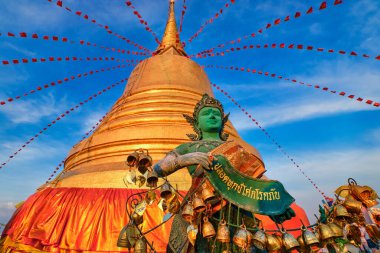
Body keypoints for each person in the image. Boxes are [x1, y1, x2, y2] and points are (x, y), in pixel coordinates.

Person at [154, 93, 295, 252]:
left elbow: (255, 179)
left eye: (216, 113)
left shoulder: (236, 150)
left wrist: (275, 202)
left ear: (223, 122)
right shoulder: (188, 148)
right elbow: (158, 169)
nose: (212, 116)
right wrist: (186, 158)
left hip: (237, 209)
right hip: (202, 210)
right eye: (206, 113)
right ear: (196, 123)